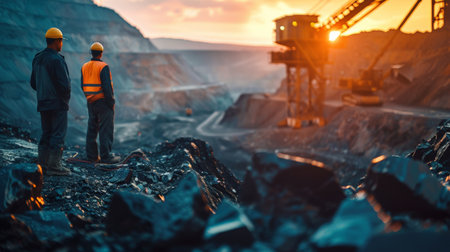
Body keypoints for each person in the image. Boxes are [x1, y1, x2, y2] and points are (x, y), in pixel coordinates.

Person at [30, 27, 71, 176]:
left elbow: (33, 83)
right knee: (58, 134)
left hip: (43, 102)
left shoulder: (38, 57)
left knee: (46, 132)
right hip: (57, 103)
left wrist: (43, 92)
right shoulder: (57, 59)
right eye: (61, 41)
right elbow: (64, 85)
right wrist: (65, 99)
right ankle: (55, 166)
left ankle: (42, 164)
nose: (62, 44)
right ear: (57, 41)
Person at [81, 42, 120, 163]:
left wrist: (90, 97)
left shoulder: (85, 66)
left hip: (90, 101)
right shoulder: (103, 67)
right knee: (105, 129)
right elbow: (107, 87)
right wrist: (111, 102)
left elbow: (82, 84)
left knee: (92, 128)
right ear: (101, 53)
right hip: (103, 102)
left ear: (91, 53)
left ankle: (91, 156)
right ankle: (106, 156)